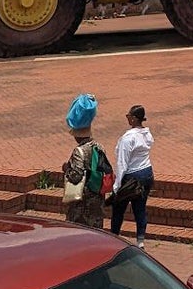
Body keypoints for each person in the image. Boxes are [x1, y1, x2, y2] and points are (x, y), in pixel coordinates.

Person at [60, 93, 111, 228]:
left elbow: (76, 177)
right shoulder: (99, 147)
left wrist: (67, 169)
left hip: (82, 205)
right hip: (98, 201)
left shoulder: (79, 151)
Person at [111, 104, 155, 246]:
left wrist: (117, 185)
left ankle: (114, 236)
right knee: (140, 208)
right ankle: (140, 240)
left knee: (118, 208)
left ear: (135, 119)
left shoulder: (128, 138)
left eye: (129, 116)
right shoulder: (147, 134)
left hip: (131, 176)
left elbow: (122, 163)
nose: (127, 119)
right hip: (147, 172)